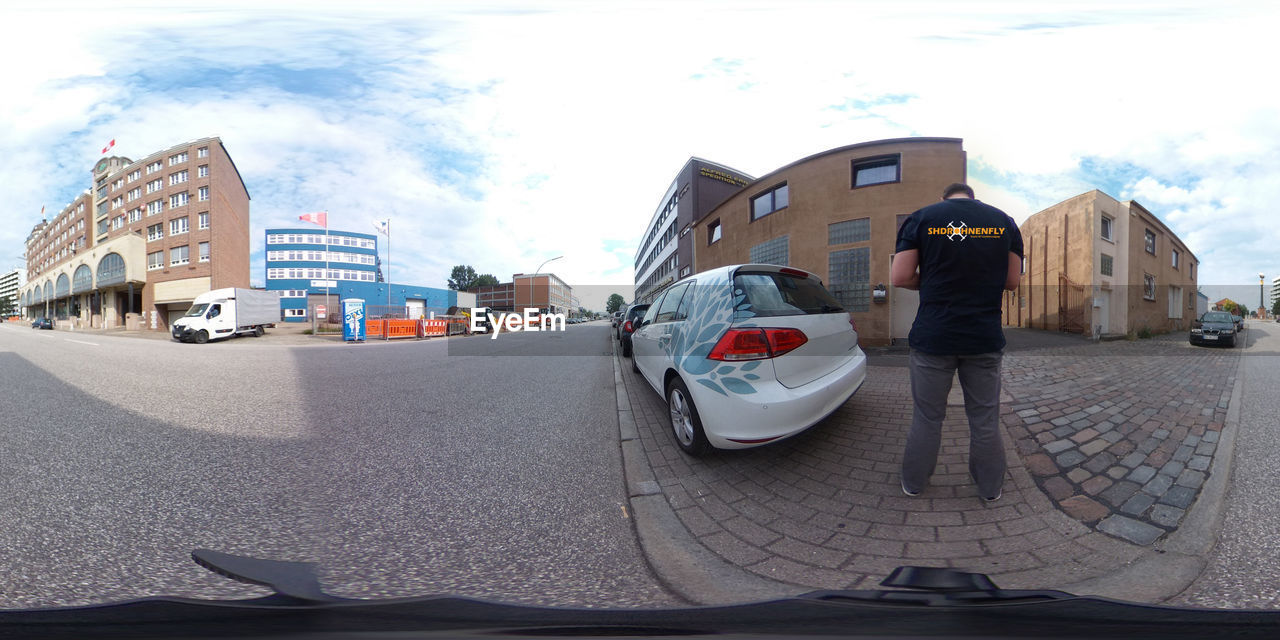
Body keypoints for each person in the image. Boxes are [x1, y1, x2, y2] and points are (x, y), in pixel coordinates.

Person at [891, 182, 1023, 502]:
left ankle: (915, 483)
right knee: (984, 418)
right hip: (983, 337)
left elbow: (900, 277)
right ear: (972, 198)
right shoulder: (1003, 222)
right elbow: (1011, 281)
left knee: (927, 416)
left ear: (944, 198)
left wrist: (935, 280)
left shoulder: (923, 217)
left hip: (933, 337)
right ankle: (990, 488)